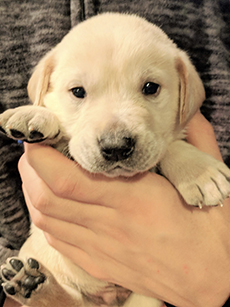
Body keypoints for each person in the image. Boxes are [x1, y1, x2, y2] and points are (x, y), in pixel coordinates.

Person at [1, 1, 230, 307]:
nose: (115, 140)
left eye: (149, 88)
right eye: (79, 92)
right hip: (59, 270)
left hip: (161, 289)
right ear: (45, 89)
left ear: (185, 90)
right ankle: (54, 298)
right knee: (37, 263)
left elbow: (180, 141)